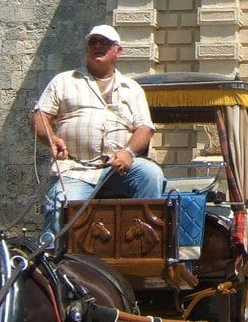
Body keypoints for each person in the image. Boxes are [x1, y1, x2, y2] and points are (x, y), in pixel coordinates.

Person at [32, 24, 164, 245]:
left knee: (151, 174)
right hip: (76, 168)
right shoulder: (64, 81)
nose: (98, 46)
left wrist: (128, 152)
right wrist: (51, 138)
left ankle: (144, 246)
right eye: (93, 42)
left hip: (119, 168)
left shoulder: (132, 89)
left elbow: (144, 128)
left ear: (118, 51)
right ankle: (50, 260)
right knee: (59, 202)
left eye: (105, 43)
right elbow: (39, 117)